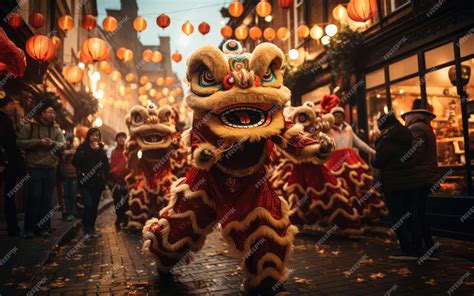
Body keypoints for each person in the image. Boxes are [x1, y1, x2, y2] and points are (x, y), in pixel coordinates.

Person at [325, 105, 388, 224]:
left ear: (343, 117)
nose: (338, 118)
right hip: (334, 164)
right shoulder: (327, 130)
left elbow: (358, 143)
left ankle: (360, 215)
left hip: (350, 162)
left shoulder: (348, 128)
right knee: (338, 189)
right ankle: (341, 218)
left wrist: (372, 152)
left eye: (340, 116)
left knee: (356, 187)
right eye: (335, 116)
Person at [372, 111, 421, 260]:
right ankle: (418, 248)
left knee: (398, 216)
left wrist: (373, 159)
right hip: (410, 181)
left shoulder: (388, 138)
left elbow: (378, 161)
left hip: (394, 183)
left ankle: (406, 248)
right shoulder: (406, 133)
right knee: (412, 215)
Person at [17, 101, 65, 238]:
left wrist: (53, 144)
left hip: (51, 168)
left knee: (46, 198)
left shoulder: (56, 128)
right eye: (49, 112)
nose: (52, 115)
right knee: (34, 197)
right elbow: (19, 142)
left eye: (53, 112)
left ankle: (44, 228)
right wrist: (38, 142)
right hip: (34, 168)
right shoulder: (30, 127)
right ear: (42, 113)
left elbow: (63, 144)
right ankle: (29, 229)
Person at [401, 99, 439, 259]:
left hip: (418, 177)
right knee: (421, 212)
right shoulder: (426, 128)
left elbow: (414, 153)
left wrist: (402, 161)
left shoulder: (416, 129)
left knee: (416, 212)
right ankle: (428, 245)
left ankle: (424, 246)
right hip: (426, 175)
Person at [72, 128, 110, 238]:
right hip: (85, 182)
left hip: (97, 183)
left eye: (97, 135)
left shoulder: (101, 150)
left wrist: (98, 151)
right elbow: (75, 161)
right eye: (93, 135)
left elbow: (106, 165)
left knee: (94, 207)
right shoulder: (82, 148)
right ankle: (86, 229)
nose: (95, 137)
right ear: (89, 136)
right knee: (88, 205)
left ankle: (91, 229)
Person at [0, 96, 25, 236]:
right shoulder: (3, 120)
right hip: (6, 164)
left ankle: (13, 226)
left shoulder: (8, 120)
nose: (14, 107)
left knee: (9, 194)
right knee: (9, 195)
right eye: (11, 104)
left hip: (8, 163)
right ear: (5, 105)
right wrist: (2, 162)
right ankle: (12, 227)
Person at [109, 132, 130, 228]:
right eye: (119, 137)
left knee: (126, 202)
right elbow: (111, 164)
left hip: (127, 182)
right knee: (117, 201)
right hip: (116, 182)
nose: (121, 139)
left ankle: (125, 219)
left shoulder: (129, 151)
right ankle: (119, 218)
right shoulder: (113, 151)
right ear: (116, 139)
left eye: (123, 137)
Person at [62, 134, 77, 221]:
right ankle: (67, 213)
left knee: (72, 194)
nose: (66, 141)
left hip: (73, 174)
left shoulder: (74, 148)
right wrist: (65, 153)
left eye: (68, 140)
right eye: (65, 139)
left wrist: (71, 152)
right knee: (66, 195)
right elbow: (61, 158)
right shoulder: (61, 148)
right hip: (64, 174)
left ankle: (72, 212)